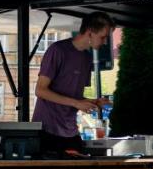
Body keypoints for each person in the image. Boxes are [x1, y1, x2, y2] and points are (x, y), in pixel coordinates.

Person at [31, 13, 115, 153]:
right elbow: (40, 90)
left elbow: (73, 97)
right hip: (47, 129)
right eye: (103, 37)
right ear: (89, 33)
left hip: (70, 130)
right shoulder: (58, 50)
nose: (105, 42)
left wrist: (94, 102)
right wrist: (77, 103)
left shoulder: (86, 58)